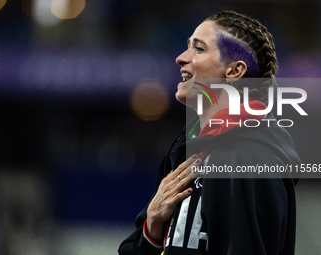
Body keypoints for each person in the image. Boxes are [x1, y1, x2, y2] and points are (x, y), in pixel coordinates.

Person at [118, 10, 301, 255]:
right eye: (187, 47)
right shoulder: (185, 148)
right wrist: (152, 227)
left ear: (234, 71)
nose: (181, 58)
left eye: (199, 49)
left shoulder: (250, 154)